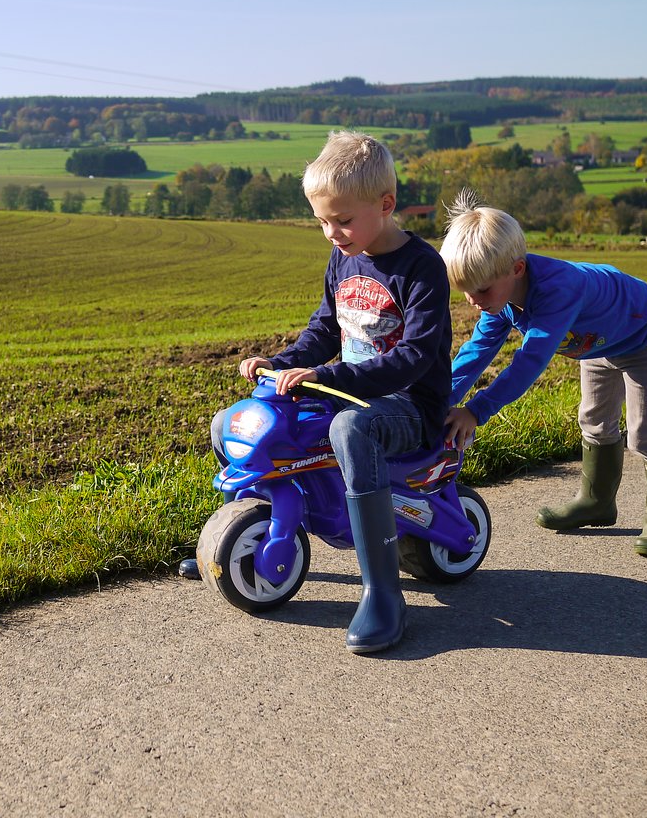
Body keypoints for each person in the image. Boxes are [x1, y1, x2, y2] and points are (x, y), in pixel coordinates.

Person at [180, 131, 452, 654]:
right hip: (351, 391)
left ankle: (383, 593)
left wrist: (327, 379)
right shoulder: (343, 258)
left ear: (386, 205)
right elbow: (324, 331)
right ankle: (245, 531)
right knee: (238, 419)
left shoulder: (421, 267)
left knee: (350, 428)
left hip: (408, 405)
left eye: (343, 220)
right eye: (322, 221)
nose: (331, 232)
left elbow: (413, 358)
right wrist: (280, 365)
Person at [440, 189, 647, 558]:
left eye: (480, 289)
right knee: (593, 420)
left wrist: (476, 411)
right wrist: (440, 398)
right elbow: (476, 351)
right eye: (464, 291)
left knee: (644, 435)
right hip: (598, 344)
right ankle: (596, 502)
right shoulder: (501, 297)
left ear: (516, 269)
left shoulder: (558, 291)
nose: (472, 300)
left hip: (641, 337)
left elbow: (529, 361)